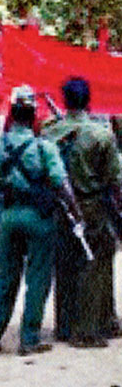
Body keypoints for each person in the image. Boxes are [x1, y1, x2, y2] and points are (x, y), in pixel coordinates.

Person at [0, 85, 86, 355]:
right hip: (39, 218)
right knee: (37, 278)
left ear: (13, 113)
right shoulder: (45, 148)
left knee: (5, 275)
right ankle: (29, 338)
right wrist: (76, 215)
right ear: (33, 115)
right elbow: (62, 185)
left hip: (7, 216)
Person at [44, 77, 122, 347]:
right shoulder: (101, 135)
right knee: (95, 264)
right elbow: (115, 179)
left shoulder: (49, 132)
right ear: (88, 99)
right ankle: (89, 329)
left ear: (64, 100)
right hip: (92, 205)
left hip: (60, 206)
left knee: (64, 263)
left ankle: (64, 325)